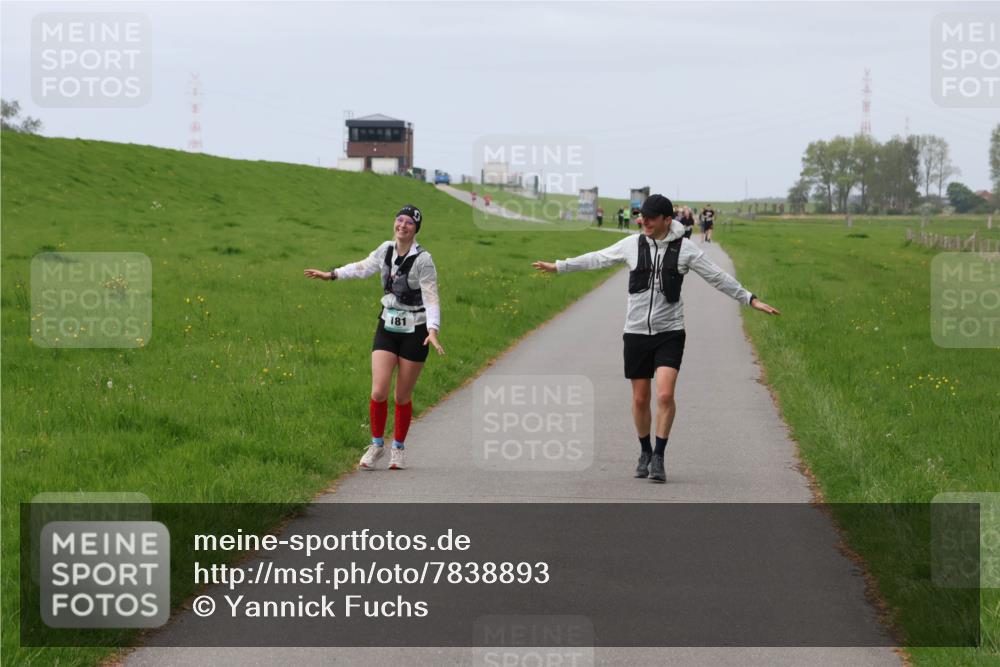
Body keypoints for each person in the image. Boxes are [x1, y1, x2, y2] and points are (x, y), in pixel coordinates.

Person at [531, 195, 779, 483]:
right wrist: (559, 266)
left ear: (666, 220)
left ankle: (659, 456)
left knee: (664, 394)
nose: (643, 221)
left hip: (669, 332)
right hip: (635, 332)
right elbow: (598, 258)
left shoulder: (685, 250)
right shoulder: (631, 245)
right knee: (640, 399)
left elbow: (717, 276)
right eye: (641, 217)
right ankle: (645, 451)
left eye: (650, 218)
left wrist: (750, 299)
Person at [303, 205, 444, 471]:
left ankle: (398, 448)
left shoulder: (424, 260)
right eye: (399, 220)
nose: (402, 225)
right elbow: (363, 267)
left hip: (416, 330)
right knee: (378, 391)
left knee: (402, 396)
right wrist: (332, 274)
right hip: (388, 325)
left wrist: (433, 330)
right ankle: (377, 445)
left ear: (416, 230)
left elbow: (431, 296)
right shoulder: (386, 249)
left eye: (409, 223)